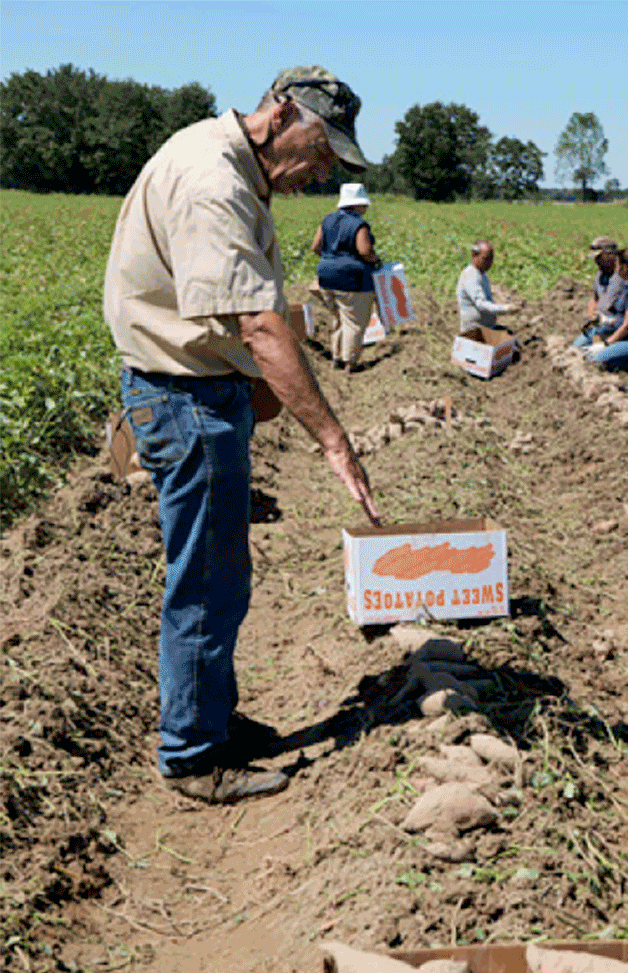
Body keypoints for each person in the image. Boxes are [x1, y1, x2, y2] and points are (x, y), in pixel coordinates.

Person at [103, 65, 382, 804]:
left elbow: (241, 313)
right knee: (207, 579)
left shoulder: (228, 162)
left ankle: (210, 718)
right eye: (323, 151)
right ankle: (194, 755)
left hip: (195, 390)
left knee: (219, 570)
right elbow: (259, 325)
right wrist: (332, 440)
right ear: (282, 113)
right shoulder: (214, 183)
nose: (322, 172)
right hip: (182, 399)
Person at [310, 182, 381, 371]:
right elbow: (364, 250)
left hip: (325, 277)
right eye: (364, 204)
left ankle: (336, 356)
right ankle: (350, 362)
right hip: (352, 280)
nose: (366, 208)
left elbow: (315, 247)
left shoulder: (327, 220)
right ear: (356, 205)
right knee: (354, 322)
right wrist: (376, 259)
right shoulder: (359, 224)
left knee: (339, 318)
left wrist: (331, 260)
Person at [571, 248, 628, 374]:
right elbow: (622, 318)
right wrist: (604, 320)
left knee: (595, 360)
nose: (615, 268)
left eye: (617, 265)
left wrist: (605, 344)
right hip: (626, 334)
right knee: (578, 349)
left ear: (624, 267)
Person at [455, 239, 516, 333]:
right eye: (485, 258)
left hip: (486, 329)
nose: (489, 263)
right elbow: (481, 304)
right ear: (473, 255)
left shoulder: (482, 275)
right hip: (474, 332)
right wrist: (505, 309)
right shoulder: (470, 276)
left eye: (491, 259)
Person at [583, 235, 626, 336]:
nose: (596, 261)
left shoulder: (624, 276)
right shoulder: (599, 275)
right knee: (577, 346)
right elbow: (595, 298)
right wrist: (591, 312)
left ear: (611, 254)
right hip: (600, 322)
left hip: (617, 323)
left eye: (599, 257)